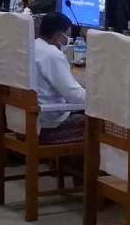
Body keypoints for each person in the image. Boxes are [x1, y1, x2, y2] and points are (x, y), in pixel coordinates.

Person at [28, 13, 86, 143]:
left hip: (28, 121)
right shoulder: (52, 54)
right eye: (68, 35)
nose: (68, 40)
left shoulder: (30, 47)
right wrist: (99, 99)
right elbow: (75, 96)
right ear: (59, 35)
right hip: (49, 126)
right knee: (98, 124)